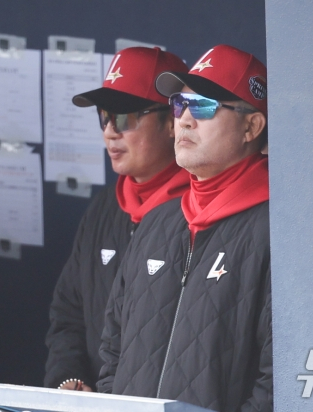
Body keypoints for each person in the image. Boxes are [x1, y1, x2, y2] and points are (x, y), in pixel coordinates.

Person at [97, 45, 272, 412]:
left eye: (204, 106)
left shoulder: (276, 229)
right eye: (179, 104)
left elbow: (277, 377)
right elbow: (113, 347)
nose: (185, 120)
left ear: (251, 127)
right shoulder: (159, 221)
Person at [44, 47, 190, 392]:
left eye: (124, 117)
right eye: (104, 117)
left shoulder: (201, 212)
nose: (110, 131)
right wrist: (70, 379)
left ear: (172, 122)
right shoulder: (104, 208)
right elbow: (68, 314)